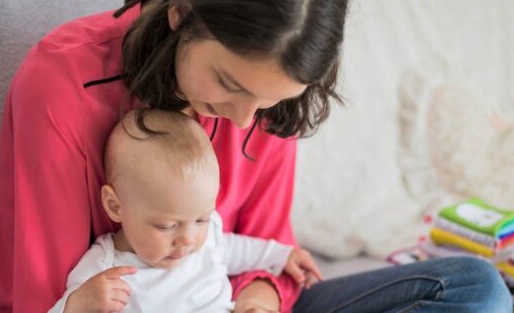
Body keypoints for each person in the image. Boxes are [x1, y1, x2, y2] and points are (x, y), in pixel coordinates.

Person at [0, 0, 513, 312]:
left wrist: (258, 300)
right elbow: (47, 297)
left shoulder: (265, 102)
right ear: (181, 12)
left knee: (477, 288)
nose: (244, 121)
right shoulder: (62, 87)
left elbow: (264, 247)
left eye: (266, 103)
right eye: (231, 85)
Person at [49, 110, 323, 312]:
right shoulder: (104, 268)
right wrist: (76, 305)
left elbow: (238, 249)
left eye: (202, 218)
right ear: (115, 206)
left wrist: (282, 255)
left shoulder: (206, 236)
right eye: (166, 226)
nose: (188, 239)